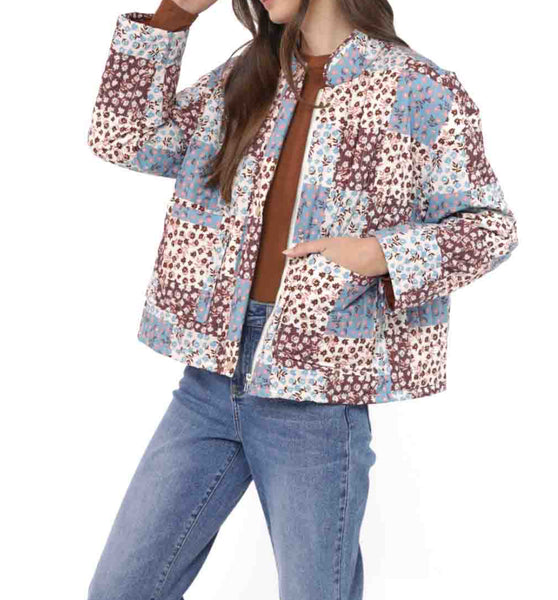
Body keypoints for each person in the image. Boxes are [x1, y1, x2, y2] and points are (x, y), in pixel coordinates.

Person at [86, 0, 519, 598]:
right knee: (121, 588)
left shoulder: (420, 91)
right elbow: (122, 138)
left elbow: (491, 228)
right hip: (209, 379)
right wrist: (176, 13)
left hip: (315, 390)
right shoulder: (250, 75)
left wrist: (377, 253)